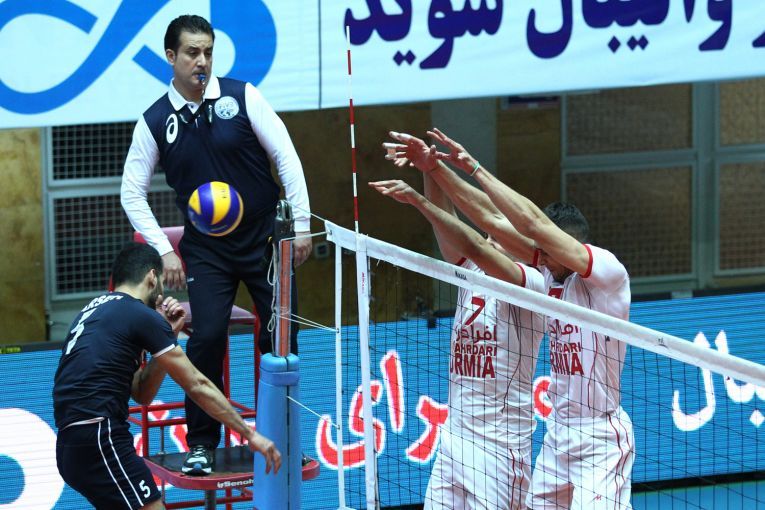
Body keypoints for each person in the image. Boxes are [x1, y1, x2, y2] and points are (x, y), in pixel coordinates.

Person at [388, 129, 635, 509]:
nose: (538, 256)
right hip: (547, 434)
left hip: (572, 436)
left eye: (544, 251)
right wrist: (432, 167)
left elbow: (504, 233)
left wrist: (457, 175)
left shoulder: (568, 278)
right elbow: (483, 222)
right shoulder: (545, 275)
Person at [120, 14, 312, 475]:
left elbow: (286, 157)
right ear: (171, 57)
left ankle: (282, 438)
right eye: (192, 52)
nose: (202, 61)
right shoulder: (155, 121)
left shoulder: (243, 96)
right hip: (206, 249)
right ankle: (202, 445)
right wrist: (165, 250)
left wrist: (302, 224)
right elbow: (131, 192)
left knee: (281, 336)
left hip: (264, 238)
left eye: (208, 51)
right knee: (205, 337)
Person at [53, 243, 281, 510]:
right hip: (101, 437)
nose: (161, 293)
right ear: (152, 277)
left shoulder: (93, 312)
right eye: (161, 282)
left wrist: (168, 334)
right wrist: (249, 434)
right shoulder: (138, 314)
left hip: (70, 446)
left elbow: (141, 393)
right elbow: (197, 384)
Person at [370, 168, 545, 507]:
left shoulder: (532, 284)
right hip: (455, 438)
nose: (489, 240)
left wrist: (418, 201)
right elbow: (447, 221)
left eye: (499, 237)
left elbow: (474, 245)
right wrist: (427, 165)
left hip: (499, 448)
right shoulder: (472, 271)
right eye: (489, 235)